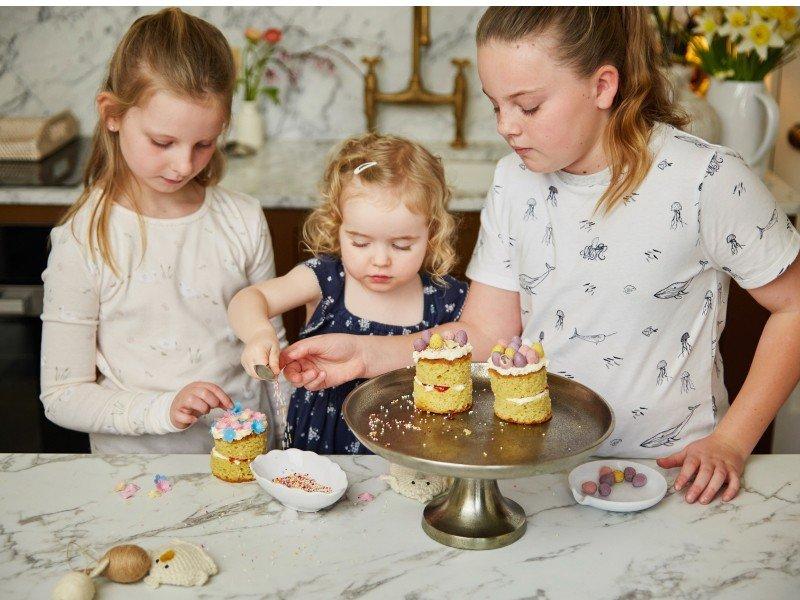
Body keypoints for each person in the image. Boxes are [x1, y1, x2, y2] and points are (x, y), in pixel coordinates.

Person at [280, 7, 800, 504]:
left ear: (602, 86)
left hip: (672, 473)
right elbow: (486, 335)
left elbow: (793, 306)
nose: (506, 125)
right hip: (538, 470)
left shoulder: (707, 179)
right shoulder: (513, 180)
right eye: (495, 104)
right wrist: (365, 355)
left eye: (527, 106)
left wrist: (732, 441)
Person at [40, 8, 287, 453]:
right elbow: (62, 396)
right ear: (112, 114)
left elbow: (272, 349)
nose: (183, 165)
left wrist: (289, 447)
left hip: (248, 467)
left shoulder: (243, 219)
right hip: (132, 479)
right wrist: (163, 409)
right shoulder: (83, 240)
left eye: (204, 144)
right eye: (162, 142)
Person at [228, 133, 468, 453]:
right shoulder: (326, 279)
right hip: (323, 445)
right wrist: (259, 333)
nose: (380, 260)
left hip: (412, 449)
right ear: (336, 225)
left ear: (432, 233)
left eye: (401, 245)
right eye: (360, 242)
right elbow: (248, 299)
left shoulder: (448, 298)